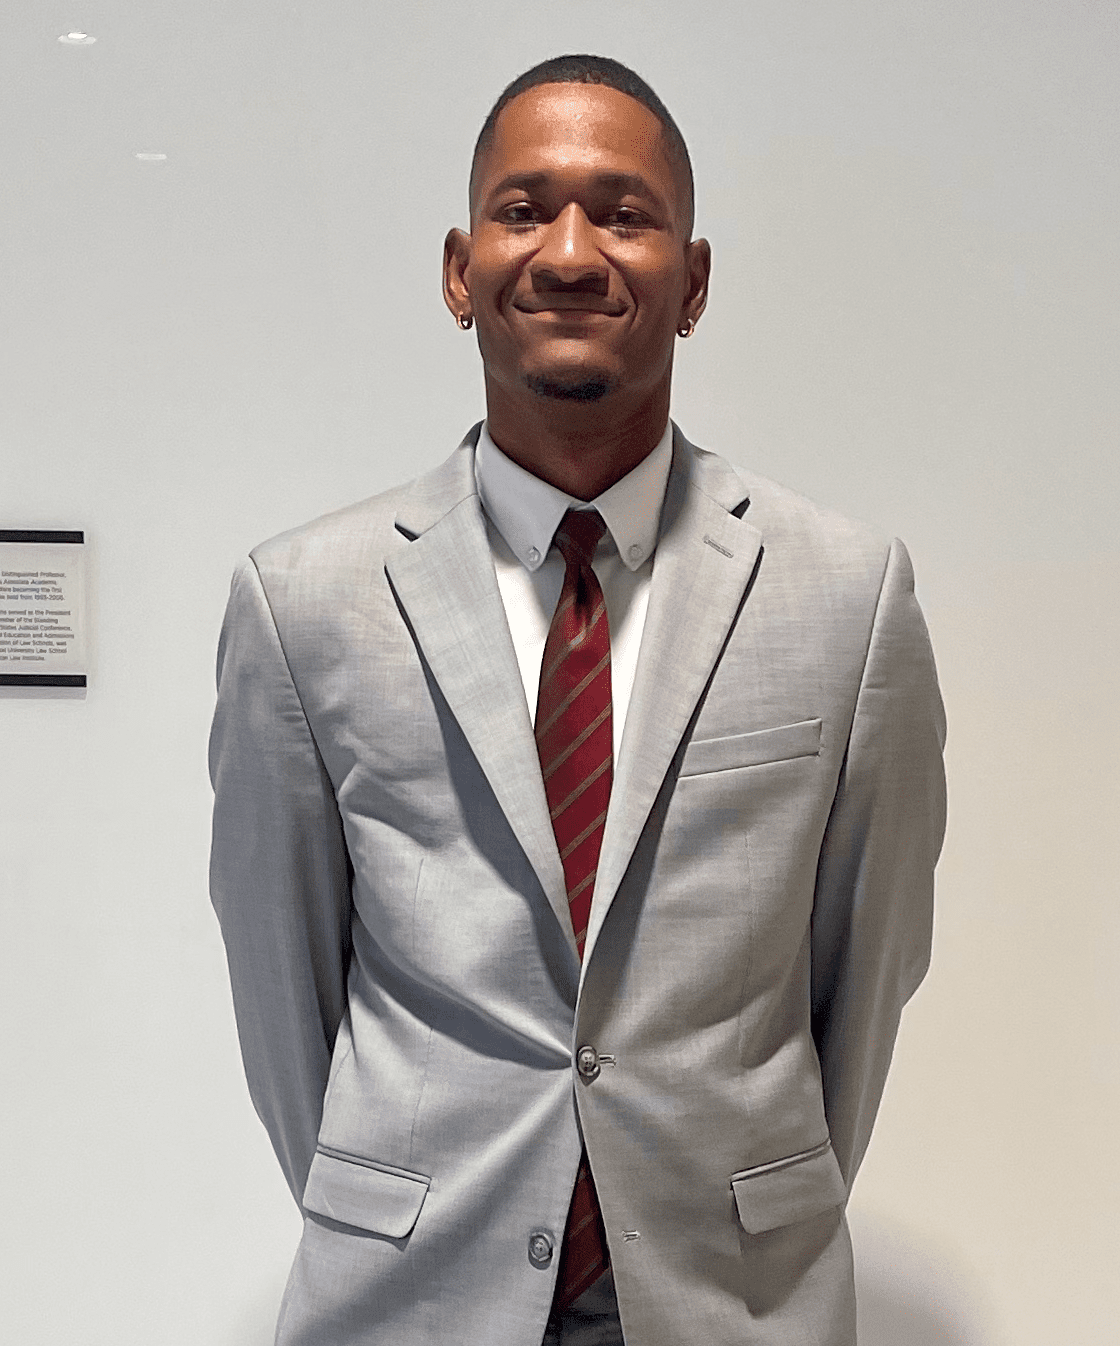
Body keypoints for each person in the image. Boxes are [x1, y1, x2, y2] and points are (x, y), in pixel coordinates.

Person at [209, 53, 946, 1346]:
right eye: (522, 206)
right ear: (458, 268)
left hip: (735, 1304)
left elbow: (865, 968)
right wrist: (399, 1202)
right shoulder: (304, 603)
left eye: (622, 210)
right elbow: (284, 988)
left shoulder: (847, 595)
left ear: (695, 280)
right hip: (413, 1300)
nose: (567, 250)